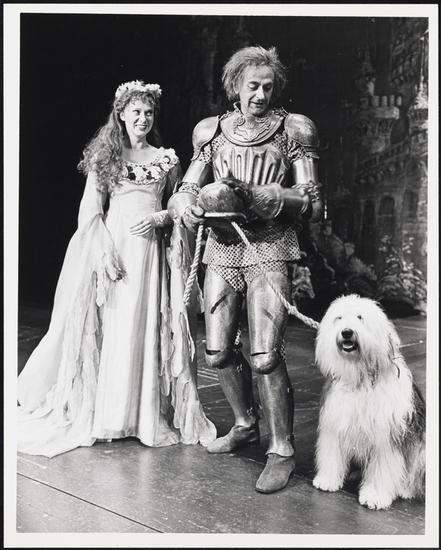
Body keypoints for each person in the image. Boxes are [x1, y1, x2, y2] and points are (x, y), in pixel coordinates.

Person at [17, 80, 216, 457]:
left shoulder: (166, 159)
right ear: (121, 114)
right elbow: (91, 208)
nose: (143, 118)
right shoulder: (107, 156)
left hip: (151, 253)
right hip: (115, 249)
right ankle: (110, 413)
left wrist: (161, 217)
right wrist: (104, 249)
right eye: (136, 112)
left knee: (145, 325)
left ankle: (142, 417)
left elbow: (177, 203)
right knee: (115, 323)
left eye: (149, 113)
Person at [168, 47, 322, 493]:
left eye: (267, 87)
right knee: (217, 352)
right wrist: (184, 205)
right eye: (252, 86)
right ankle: (244, 423)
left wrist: (269, 196)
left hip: (269, 245)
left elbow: (314, 202)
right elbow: (187, 187)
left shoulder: (294, 128)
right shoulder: (212, 131)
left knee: (265, 356)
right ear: (235, 85)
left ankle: (282, 449)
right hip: (222, 247)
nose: (260, 95)